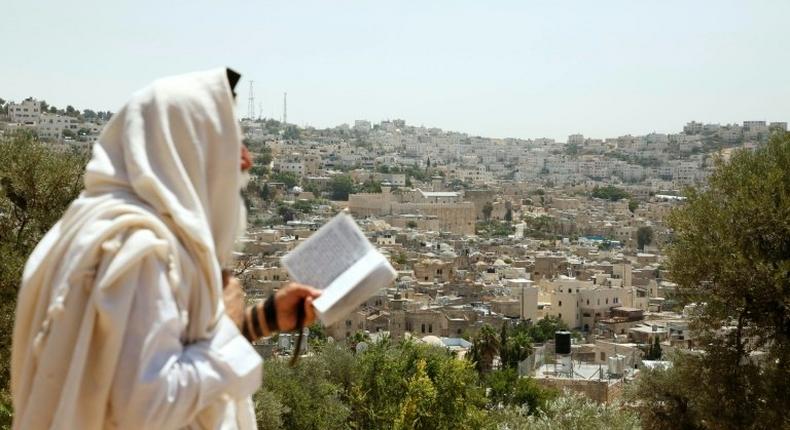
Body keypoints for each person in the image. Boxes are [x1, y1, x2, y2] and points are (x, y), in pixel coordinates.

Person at [11, 68, 321, 429]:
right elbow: (149, 408)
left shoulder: (89, 228)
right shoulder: (139, 249)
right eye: (230, 141)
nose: (246, 160)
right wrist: (223, 327)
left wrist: (260, 319)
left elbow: (134, 363)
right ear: (188, 149)